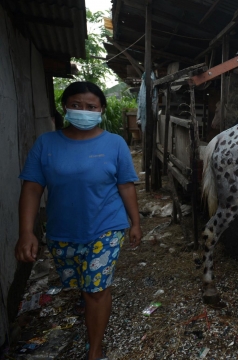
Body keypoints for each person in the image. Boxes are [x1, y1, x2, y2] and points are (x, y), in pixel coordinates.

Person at [14, 81, 142, 360]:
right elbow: (33, 188)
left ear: (101, 110)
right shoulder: (46, 144)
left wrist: (134, 223)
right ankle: (90, 311)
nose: (83, 111)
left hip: (106, 227)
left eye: (91, 107)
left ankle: (94, 350)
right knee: (80, 286)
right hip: (63, 231)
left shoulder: (114, 143)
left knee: (96, 289)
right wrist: (26, 232)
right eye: (76, 105)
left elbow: (126, 186)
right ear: (65, 107)